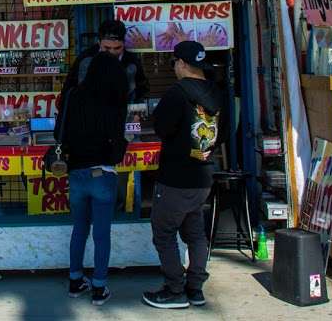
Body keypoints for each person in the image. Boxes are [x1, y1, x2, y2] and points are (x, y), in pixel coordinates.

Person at [143, 41, 226, 310]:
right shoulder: (217, 93)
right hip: (203, 175)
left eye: (175, 63)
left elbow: (162, 128)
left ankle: (174, 289)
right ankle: (195, 288)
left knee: (164, 233)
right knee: (195, 233)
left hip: (175, 177)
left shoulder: (177, 94)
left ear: (181, 63)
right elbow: (225, 133)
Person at [61, 50, 129, 306]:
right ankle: (99, 288)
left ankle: (75, 281)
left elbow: (61, 132)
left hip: (76, 173)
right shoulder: (115, 100)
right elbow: (118, 144)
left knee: (79, 229)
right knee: (102, 234)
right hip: (103, 174)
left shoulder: (74, 96)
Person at [62, 19, 149, 103]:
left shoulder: (132, 61)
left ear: (124, 44)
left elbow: (141, 88)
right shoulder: (85, 59)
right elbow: (70, 88)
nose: (112, 52)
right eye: (107, 48)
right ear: (99, 43)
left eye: (117, 48)